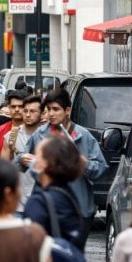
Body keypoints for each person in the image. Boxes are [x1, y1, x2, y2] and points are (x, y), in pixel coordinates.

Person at [17, 87, 108, 235]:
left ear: (67, 110)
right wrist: (22, 158)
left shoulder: (83, 136)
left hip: (78, 207)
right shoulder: (40, 134)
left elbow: (100, 169)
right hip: (47, 206)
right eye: (48, 109)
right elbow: (21, 163)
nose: (51, 114)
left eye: (56, 109)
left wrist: (84, 164)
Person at [0, 91, 26, 155]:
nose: (17, 109)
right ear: (9, 107)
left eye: (20, 106)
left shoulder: (36, 131)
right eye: (13, 106)